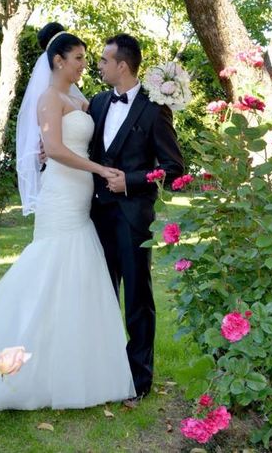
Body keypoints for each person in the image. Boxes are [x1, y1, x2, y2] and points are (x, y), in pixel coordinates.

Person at [0, 23, 135, 411]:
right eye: (78, 58)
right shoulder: (48, 98)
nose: (84, 65)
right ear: (58, 60)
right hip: (60, 192)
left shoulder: (80, 98)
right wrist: (99, 169)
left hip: (80, 196)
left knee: (78, 271)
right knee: (51, 266)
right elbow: (54, 149)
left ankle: (78, 363)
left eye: (86, 59)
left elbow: (87, 138)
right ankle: (23, 356)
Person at [89, 34, 185, 402]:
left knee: (137, 299)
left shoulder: (154, 108)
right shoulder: (98, 103)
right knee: (99, 295)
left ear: (122, 66)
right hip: (94, 216)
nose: (99, 65)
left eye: (104, 60)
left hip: (133, 219)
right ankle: (102, 369)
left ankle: (139, 380)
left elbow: (174, 169)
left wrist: (130, 181)